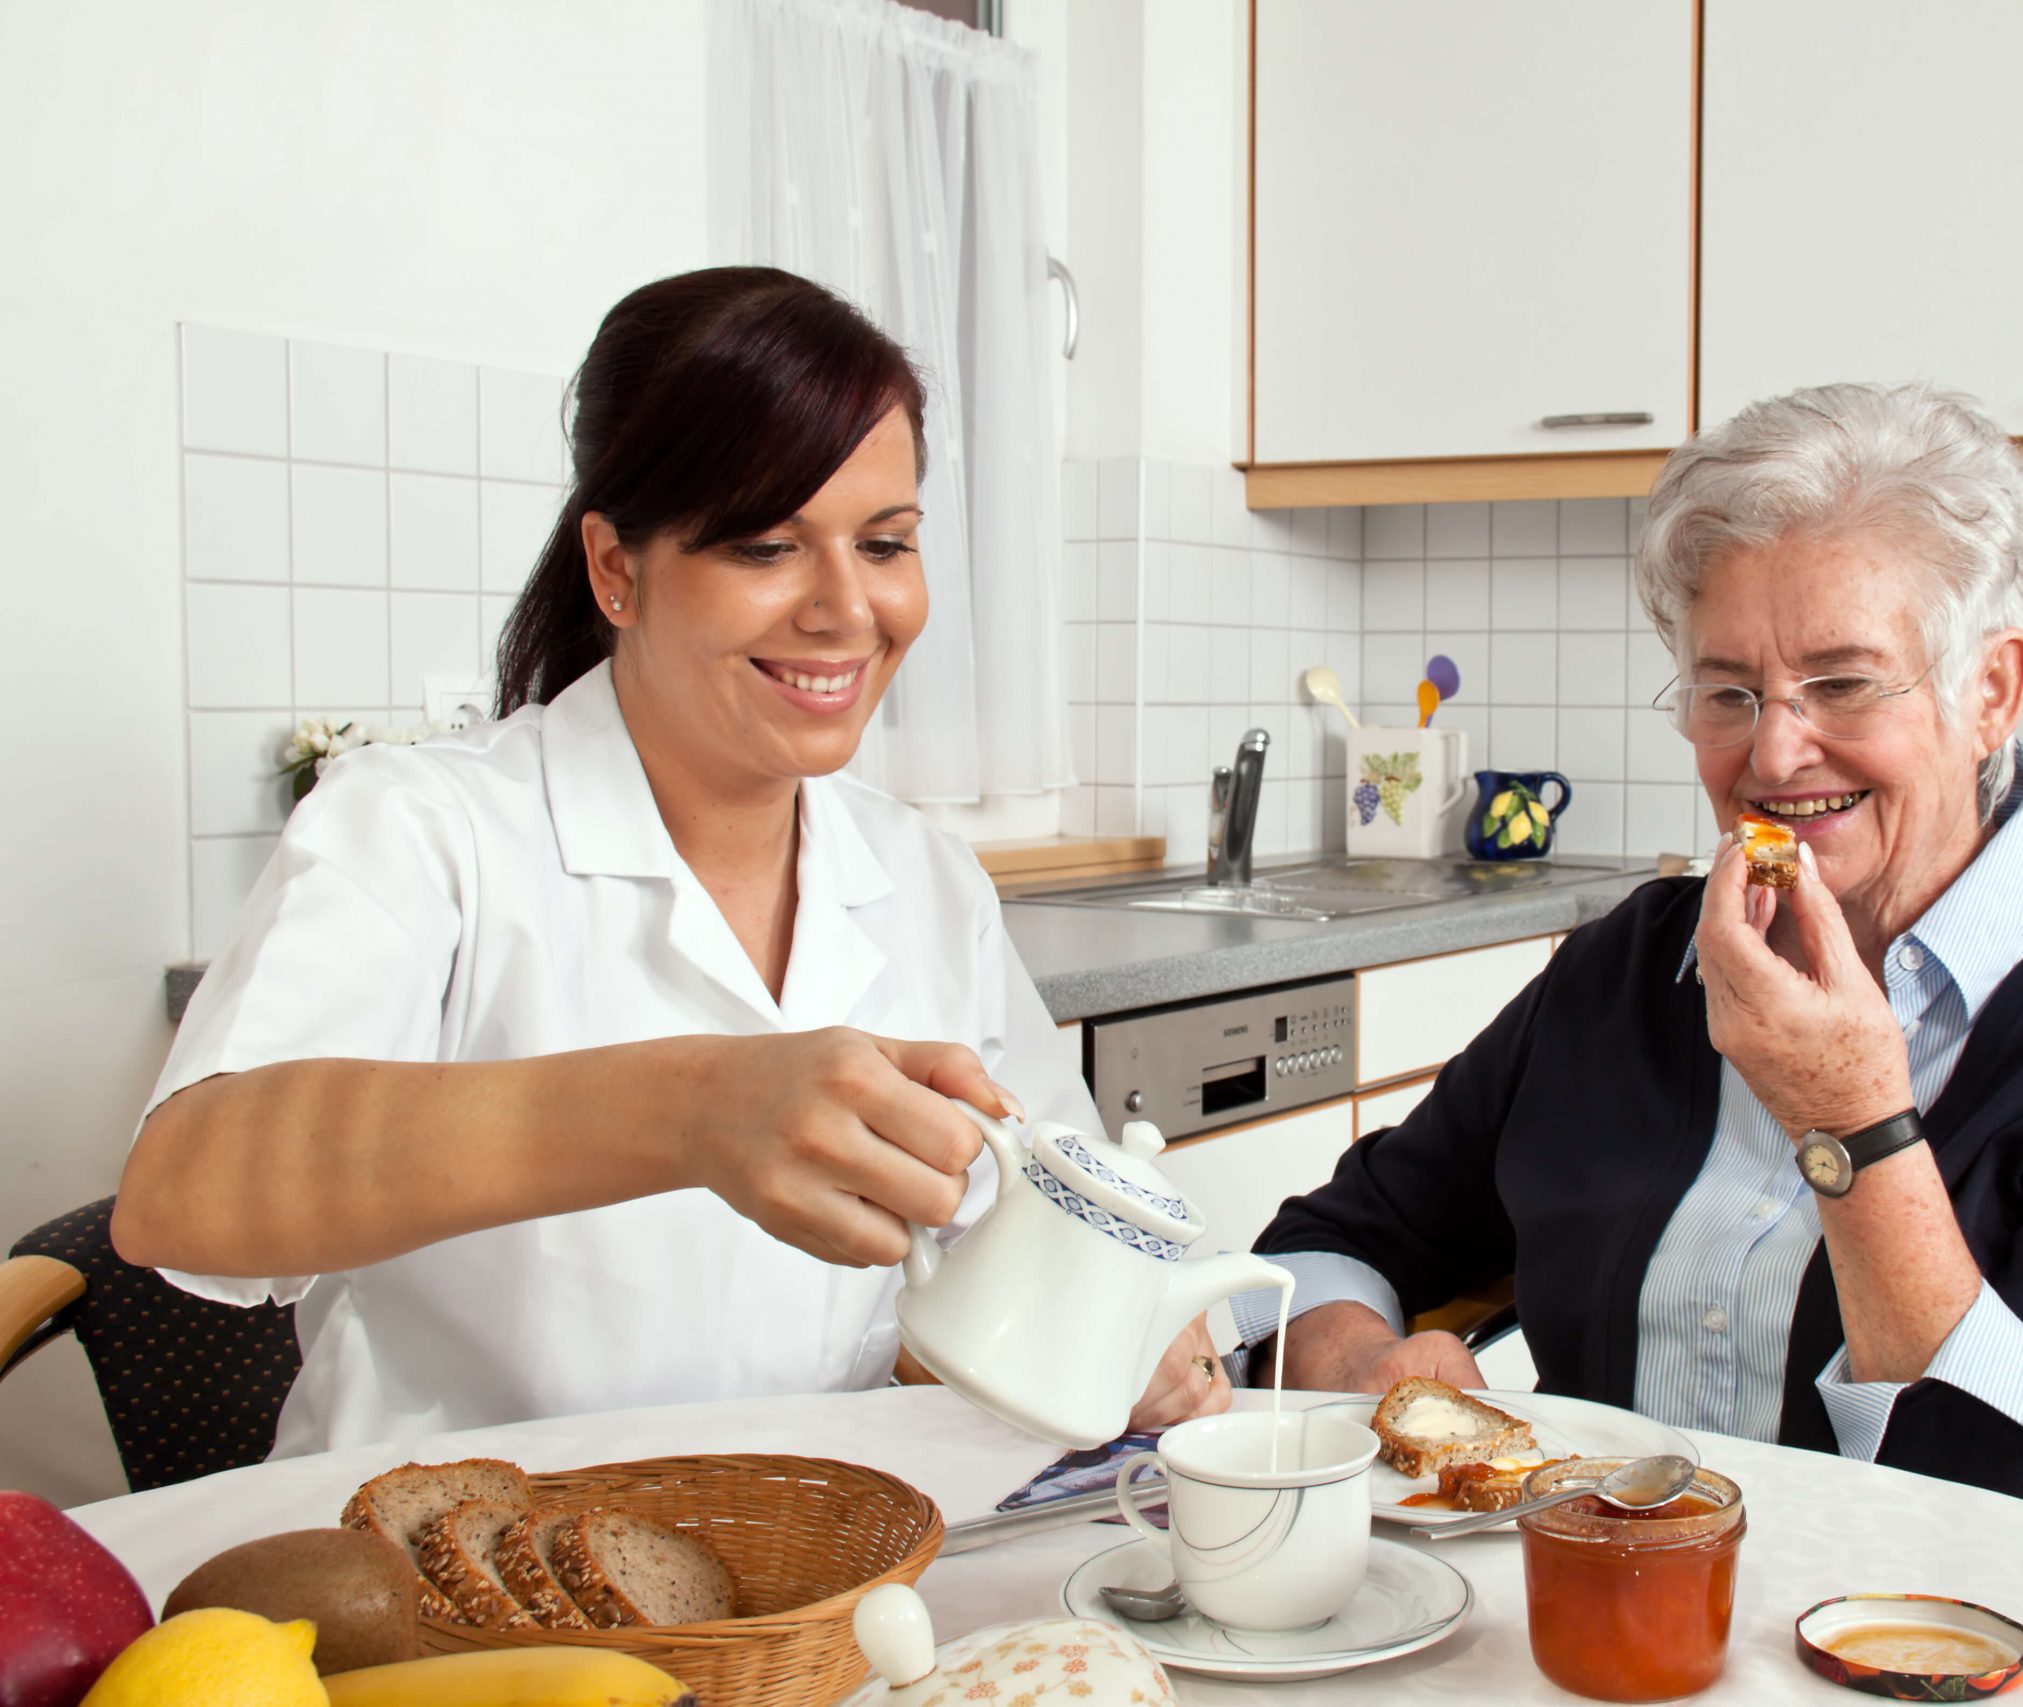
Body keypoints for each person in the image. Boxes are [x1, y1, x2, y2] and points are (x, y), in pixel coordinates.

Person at [114, 267, 1229, 1456]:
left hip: (818, 1560)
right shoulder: (425, 829)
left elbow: (1035, 1215)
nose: (847, 610)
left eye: (885, 543)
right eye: (765, 546)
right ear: (615, 570)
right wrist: (694, 1106)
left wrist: (1128, 1327)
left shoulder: (923, 879)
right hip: (458, 1581)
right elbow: (185, 1189)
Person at [1242, 382, 2023, 1544]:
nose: (1776, 751)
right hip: (1608, 1627)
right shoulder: (1628, 968)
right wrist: (1361, 1370)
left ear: (1988, 690)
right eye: (1728, 692)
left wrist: (1850, 1118)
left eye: (1841, 683)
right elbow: (1325, 1242)